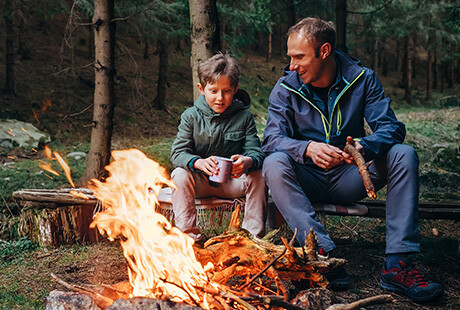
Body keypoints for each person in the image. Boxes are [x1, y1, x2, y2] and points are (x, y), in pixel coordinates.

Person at [262, 17, 443, 301]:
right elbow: (271, 140)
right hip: (304, 179)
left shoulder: (362, 79)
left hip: (351, 177)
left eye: (299, 57)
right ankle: (323, 254)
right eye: (290, 57)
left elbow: (392, 128)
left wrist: (364, 146)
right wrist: (307, 148)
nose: (292, 65)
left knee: (403, 155)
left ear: (324, 51)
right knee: (273, 163)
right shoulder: (286, 88)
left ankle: (399, 265)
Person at [170, 53, 267, 243]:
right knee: (179, 175)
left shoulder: (244, 117)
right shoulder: (190, 116)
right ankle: (188, 239)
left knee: (259, 174)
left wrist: (247, 161)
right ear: (201, 89)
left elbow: (257, 153)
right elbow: (177, 153)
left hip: (233, 182)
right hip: (201, 183)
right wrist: (197, 163)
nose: (220, 98)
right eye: (213, 91)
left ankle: (252, 239)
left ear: (235, 89)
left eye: (226, 91)